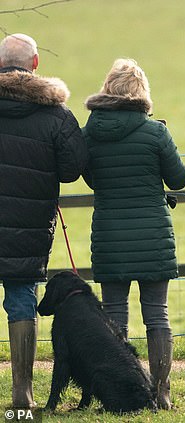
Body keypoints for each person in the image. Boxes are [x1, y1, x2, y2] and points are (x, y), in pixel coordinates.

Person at [82, 58, 185, 409]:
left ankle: (120, 392)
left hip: (110, 236)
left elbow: (90, 177)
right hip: (152, 236)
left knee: (113, 317)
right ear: (141, 92)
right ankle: (162, 393)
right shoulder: (154, 132)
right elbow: (179, 179)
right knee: (156, 314)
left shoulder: (91, 132)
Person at [0, 33, 88, 408]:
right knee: (21, 296)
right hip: (29, 225)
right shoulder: (55, 114)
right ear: (35, 64)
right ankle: (23, 394)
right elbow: (72, 170)